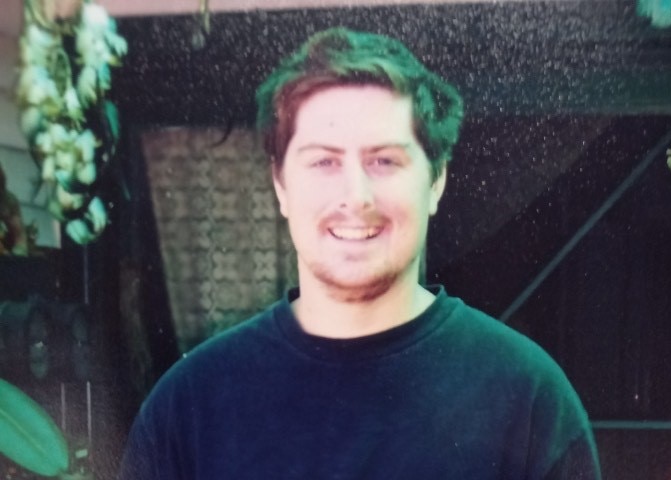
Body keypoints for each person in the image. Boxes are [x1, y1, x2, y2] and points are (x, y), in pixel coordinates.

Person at [118, 27, 601, 479]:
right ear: (280, 184)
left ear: (436, 181)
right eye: (324, 161)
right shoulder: (188, 407)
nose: (356, 196)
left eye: (384, 160)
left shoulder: (529, 399)